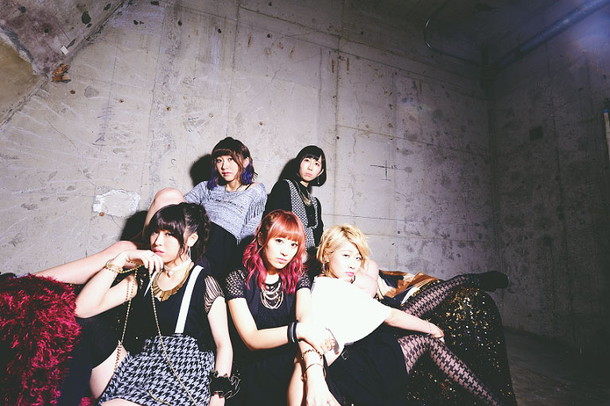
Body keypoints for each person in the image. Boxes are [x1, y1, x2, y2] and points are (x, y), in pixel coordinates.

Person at [290, 224, 507, 406]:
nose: (353, 264)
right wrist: (432, 328)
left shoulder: (323, 281)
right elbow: (391, 317)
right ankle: (495, 402)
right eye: (346, 256)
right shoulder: (335, 288)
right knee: (426, 341)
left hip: (359, 351)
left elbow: (373, 294)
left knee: (411, 310)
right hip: (358, 373)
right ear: (326, 255)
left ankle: (466, 280)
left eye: (357, 258)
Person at [37, 137, 267, 285]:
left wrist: (237, 271)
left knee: (126, 248)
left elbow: (250, 232)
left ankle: (146, 243)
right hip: (191, 235)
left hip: (218, 247)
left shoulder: (255, 190)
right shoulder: (207, 187)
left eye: (231, 159)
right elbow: (177, 210)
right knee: (128, 241)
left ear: (246, 161)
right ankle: (33, 282)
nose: (224, 166)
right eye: (219, 160)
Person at [71, 203, 234, 405]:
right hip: (142, 368)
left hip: (182, 375)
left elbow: (223, 345)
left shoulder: (204, 282)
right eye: (155, 232)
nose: (158, 241)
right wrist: (121, 259)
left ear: (191, 239)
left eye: (169, 234)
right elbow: (83, 309)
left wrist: (217, 399)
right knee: (87, 325)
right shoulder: (144, 277)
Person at [225, 210, 333, 406]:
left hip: (291, 364)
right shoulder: (237, 279)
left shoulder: (298, 276)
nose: (286, 252)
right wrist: (299, 330)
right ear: (261, 238)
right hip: (253, 370)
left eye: (293, 245)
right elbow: (251, 339)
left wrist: (314, 371)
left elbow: (305, 317)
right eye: (279, 241)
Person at [264, 145, 326, 262]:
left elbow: (319, 237)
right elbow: (274, 225)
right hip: (287, 253)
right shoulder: (284, 187)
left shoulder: (315, 202)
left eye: (316, 164)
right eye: (307, 160)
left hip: (311, 259)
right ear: (298, 163)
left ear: (320, 172)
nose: (310, 167)